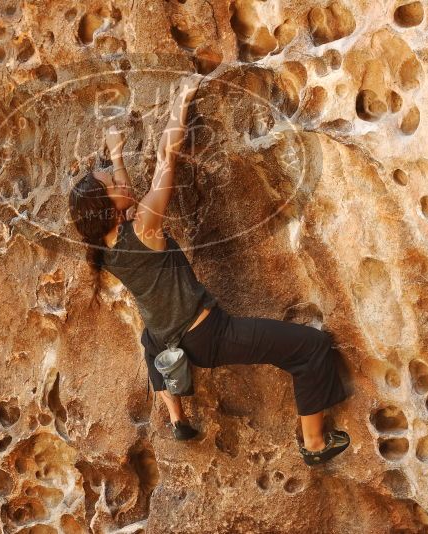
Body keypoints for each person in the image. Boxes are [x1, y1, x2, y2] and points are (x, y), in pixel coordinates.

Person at [67, 73, 351, 466]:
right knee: (311, 346)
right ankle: (316, 444)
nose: (118, 178)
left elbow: (125, 196)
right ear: (108, 202)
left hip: (170, 341)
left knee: (149, 340)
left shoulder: (104, 247)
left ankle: (176, 417)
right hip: (211, 335)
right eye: (111, 180)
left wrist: (117, 158)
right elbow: (168, 158)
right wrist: (182, 99)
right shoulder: (146, 224)